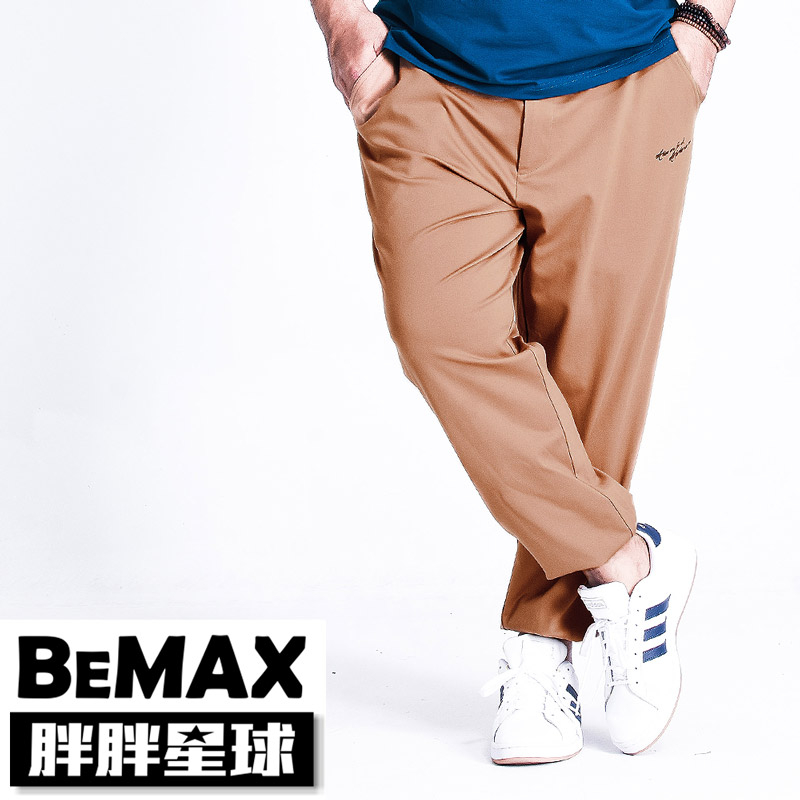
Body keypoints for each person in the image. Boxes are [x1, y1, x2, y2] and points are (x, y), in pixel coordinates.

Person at [310, 0, 735, 763]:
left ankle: (540, 651)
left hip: (626, 74)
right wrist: (342, 22)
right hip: (432, 76)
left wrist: (704, 26)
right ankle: (627, 563)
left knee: (589, 376)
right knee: (438, 333)